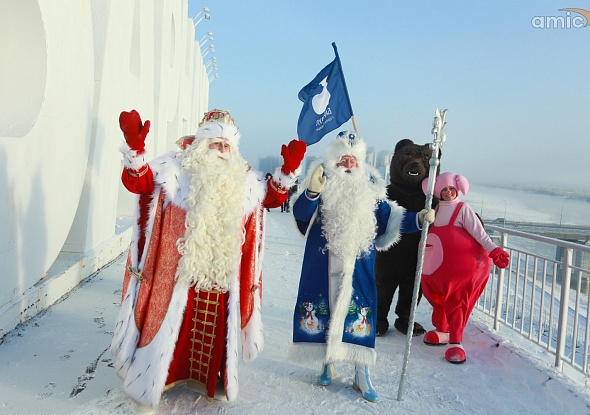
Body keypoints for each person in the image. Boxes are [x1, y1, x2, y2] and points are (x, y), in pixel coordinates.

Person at [110, 109, 306, 408]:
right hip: (175, 273)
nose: (222, 150)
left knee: (212, 330)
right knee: (165, 326)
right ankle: (152, 381)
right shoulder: (175, 169)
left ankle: (207, 378)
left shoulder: (244, 178)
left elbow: (270, 198)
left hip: (219, 274)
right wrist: (135, 150)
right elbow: (141, 183)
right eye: (216, 143)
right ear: (201, 144)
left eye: (227, 145)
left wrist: (288, 172)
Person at [287, 131, 433, 403]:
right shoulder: (321, 184)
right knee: (324, 311)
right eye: (343, 159)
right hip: (322, 265)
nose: (348, 164)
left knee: (359, 316)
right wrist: (311, 192)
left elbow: (391, 219)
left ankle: (361, 372)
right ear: (333, 161)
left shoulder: (370, 193)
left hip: (360, 268)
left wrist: (419, 218)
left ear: (360, 163)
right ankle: (327, 362)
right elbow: (300, 214)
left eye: (353, 160)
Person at [420, 172, 510, 364]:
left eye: (451, 188)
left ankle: (455, 341)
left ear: (458, 189)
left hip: (459, 271)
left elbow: (479, 233)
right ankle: (443, 330)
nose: (448, 192)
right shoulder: (437, 209)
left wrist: (495, 251)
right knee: (438, 299)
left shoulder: (463, 209)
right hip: (438, 269)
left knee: (457, 302)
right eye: (444, 189)